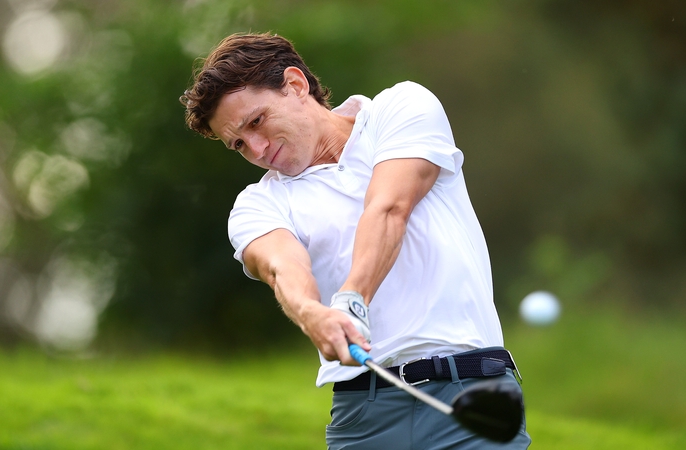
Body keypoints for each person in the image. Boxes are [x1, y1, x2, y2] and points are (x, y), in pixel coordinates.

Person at [180, 32, 530, 449]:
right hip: (361, 415)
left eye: (256, 122)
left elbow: (389, 208)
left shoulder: (400, 108)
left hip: (470, 389)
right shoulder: (258, 203)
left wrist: (351, 298)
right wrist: (311, 312)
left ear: (295, 84)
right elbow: (280, 266)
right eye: (238, 143)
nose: (256, 148)